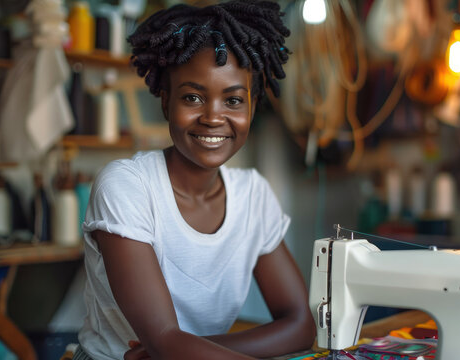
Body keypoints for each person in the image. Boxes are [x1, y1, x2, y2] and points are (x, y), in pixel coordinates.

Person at [75, 1, 316, 359]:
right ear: (165, 102)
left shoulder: (253, 196)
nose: (213, 117)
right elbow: (164, 340)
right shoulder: (127, 187)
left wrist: (180, 349)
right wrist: (168, 348)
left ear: (251, 107)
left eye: (233, 100)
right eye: (192, 97)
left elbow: (300, 325)